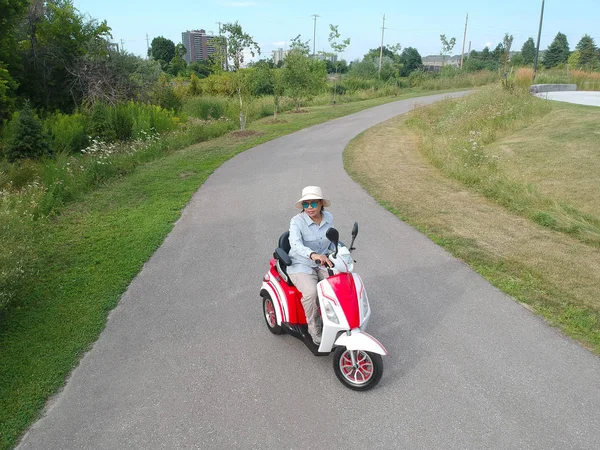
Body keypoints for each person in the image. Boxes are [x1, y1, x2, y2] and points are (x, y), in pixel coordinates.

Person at [287, 186, 334, 345]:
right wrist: (313, 255)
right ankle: (315, 331)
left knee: (339, 286)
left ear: (321, 204)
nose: (309, 208)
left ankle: (337, 321)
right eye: (305, 204)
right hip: (301, 264)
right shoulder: (297, 221)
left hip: (322, 262)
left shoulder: (329, 218)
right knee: (312, 292)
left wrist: (338, 251)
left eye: (313, 204)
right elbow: (294, 244)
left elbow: (330, 241)